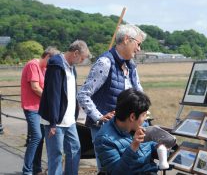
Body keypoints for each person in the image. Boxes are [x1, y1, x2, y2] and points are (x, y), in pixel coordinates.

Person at [77, 24, 146, 170]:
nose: (139, 49)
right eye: (138, 44)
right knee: (109, 170)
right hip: (105, 131)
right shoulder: (105, 62)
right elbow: (83, 94)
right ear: (127, 39)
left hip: (127, 129)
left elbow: (139, 93)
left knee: (127, 168)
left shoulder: (131, 66)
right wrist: (99, 117)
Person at [38, 40, 90, 175]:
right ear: (76, 53)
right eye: (82, 58)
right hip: (55, 120)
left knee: (75, 149)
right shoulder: (56, 64)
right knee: (55, 155)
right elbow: (53, 95)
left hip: (69, 120)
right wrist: (53, 122)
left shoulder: (71, 67)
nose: (82, 61)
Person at [95, 88, 159, 175]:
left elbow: (150, 146)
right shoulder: (104, 139)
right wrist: (133, 147)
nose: (145, 119)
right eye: (144, 115)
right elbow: (117, 172)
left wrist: (160, 147)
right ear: (132, 117)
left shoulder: (141, 125)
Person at [21, 46, 60, 175]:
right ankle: (27, 170)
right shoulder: (33, 65)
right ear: (48, 56)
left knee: (40, 138)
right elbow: (35, 87)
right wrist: (50, 99)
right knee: (37, 136)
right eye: (52, 61)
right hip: (31, 107)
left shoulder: (44, 68)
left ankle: (36, 169)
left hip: (40, 108)